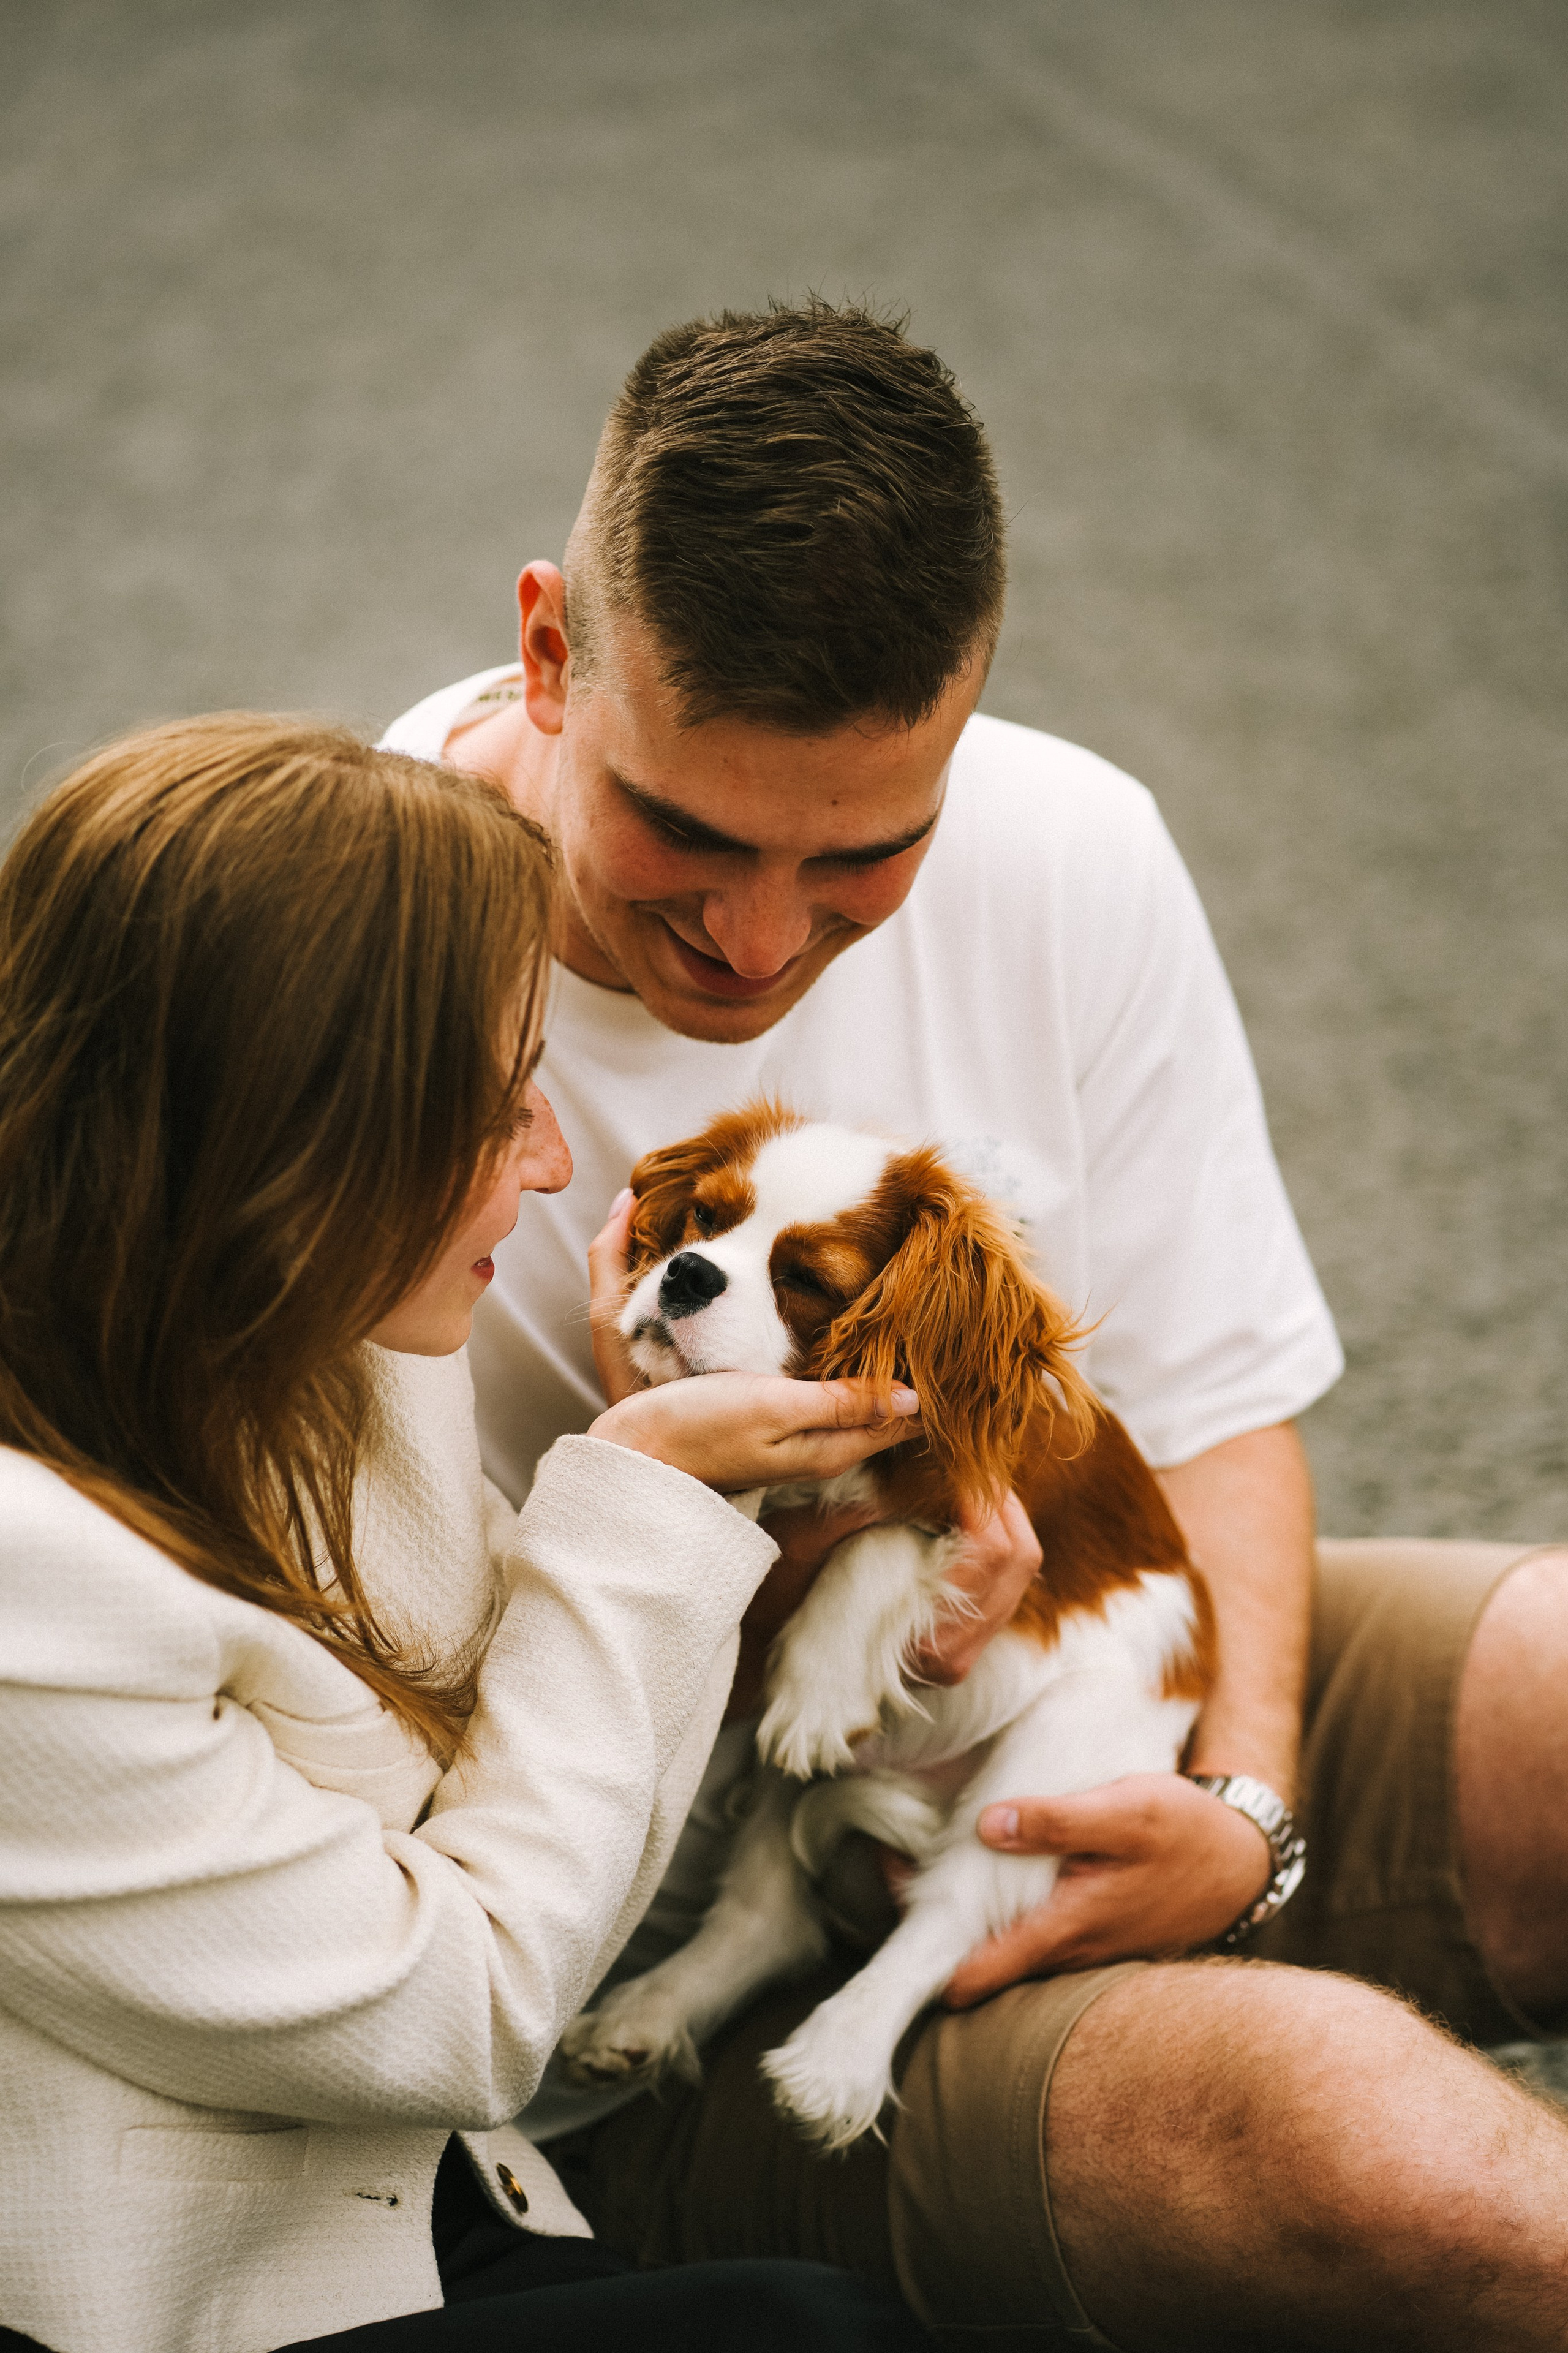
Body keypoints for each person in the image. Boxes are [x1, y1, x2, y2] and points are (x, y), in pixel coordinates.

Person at [381, 300, 1568, 2347]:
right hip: (641, 1976)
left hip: (1085, 1675)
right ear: (551, 653)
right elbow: (355, 1801)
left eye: (866, 855)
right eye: (690, 831)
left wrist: (1241, 1814)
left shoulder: (1069, 842)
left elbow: (1211, 1405)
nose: (760, 939)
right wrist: (713, 1541)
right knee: (1380, 2159)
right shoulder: (340, 970)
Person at [0, 716, 937, 2353]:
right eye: (504, 1107)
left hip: (456, 2201)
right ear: (292, 1139)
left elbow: (528, 1788)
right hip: (213, 2303)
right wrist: (653, 1490)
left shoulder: (341, 1339)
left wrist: (721, 1498)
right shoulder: (36, 1589)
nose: (558, 1164)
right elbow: (475, 2011)